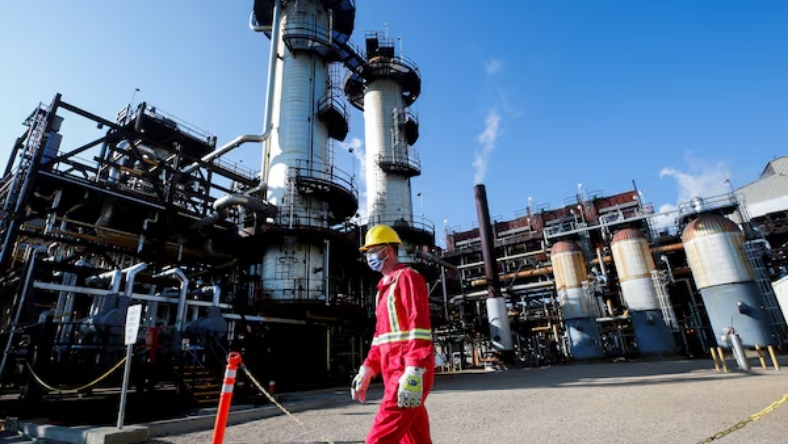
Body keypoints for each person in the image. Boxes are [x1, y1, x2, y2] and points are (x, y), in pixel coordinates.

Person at [351, 224, 435, 444]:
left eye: (372, 251)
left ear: (387, 250)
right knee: (415, 438)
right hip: (392, 371)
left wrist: (414, 369)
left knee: (379, 439)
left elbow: (420, 327)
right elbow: (380, 338)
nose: (369, 256)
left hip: (406, 372)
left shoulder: (407, 277)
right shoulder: (383, 289)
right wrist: (367, 370)